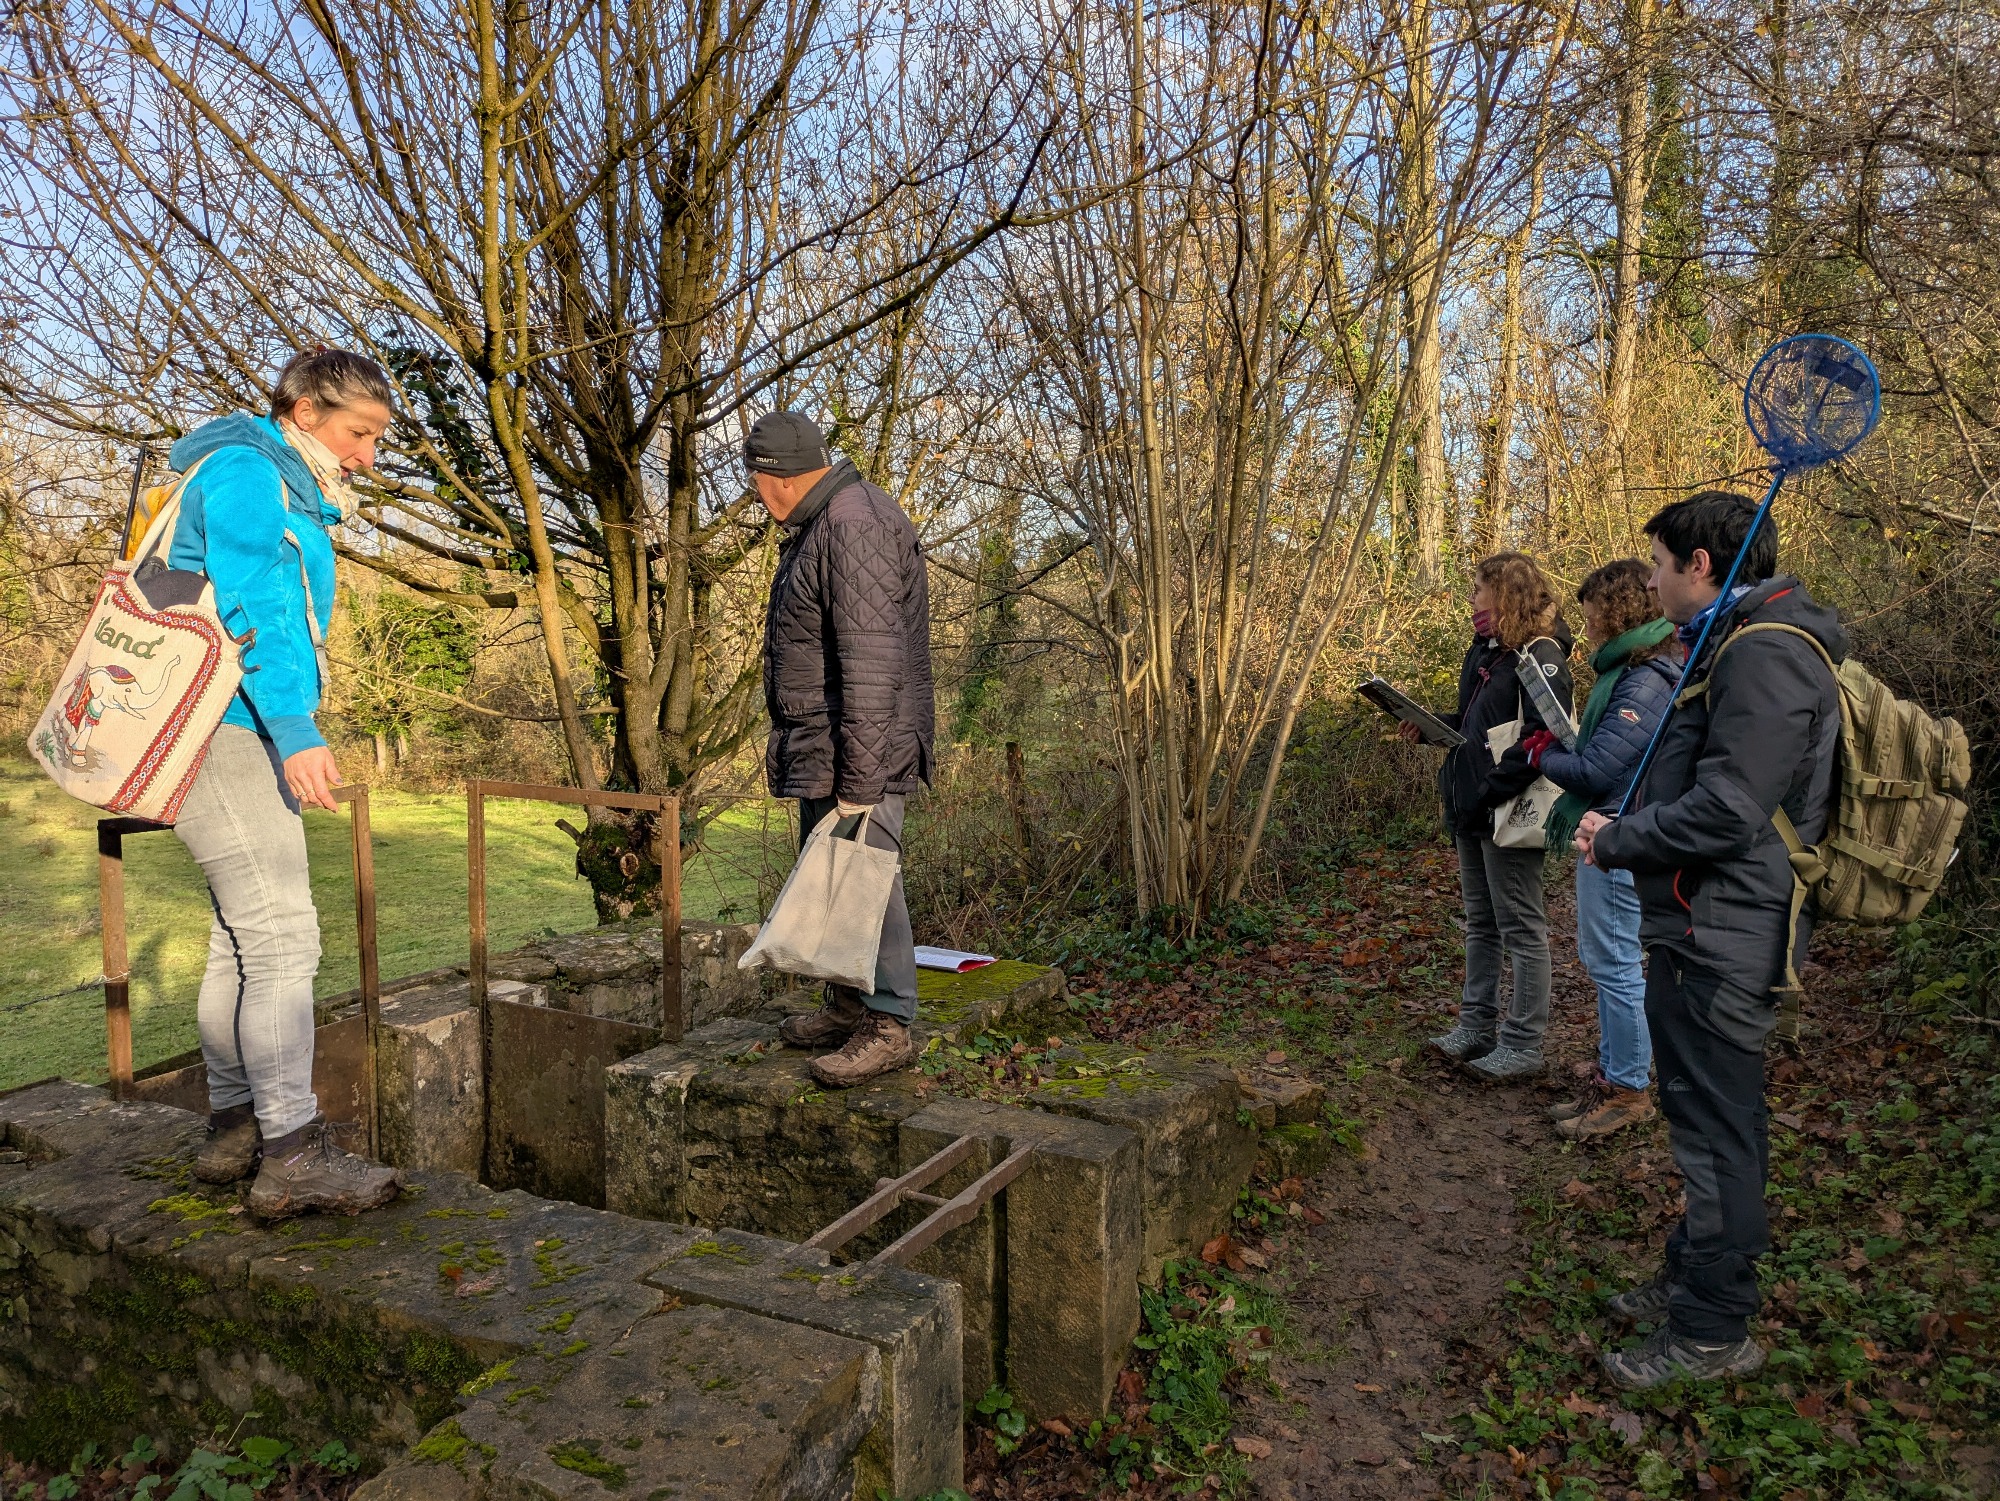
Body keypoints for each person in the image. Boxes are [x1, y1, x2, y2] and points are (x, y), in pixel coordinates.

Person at [1577, 491, 1844, 1390]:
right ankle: (1691, 1277)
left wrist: (1622, 838)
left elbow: (1731, 809)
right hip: (1706, 925)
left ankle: (1713, 1331)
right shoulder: (1738, 640)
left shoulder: (1765, 653)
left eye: (1659, 564)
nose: (1651, 583)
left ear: (1700, 564)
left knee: (1717, 1131)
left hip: (1723, 934)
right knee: (1704, 1117)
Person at [173, 348, 403, 1218]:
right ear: (306, 411)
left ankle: (236, 1127)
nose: (368, 456)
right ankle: (294, 1154)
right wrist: (295, 728)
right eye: (359, 433)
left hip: (229, 724)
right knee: (280, 938)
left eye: (377, 439)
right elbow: (254, 604)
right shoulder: (245, 471)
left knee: (239, 937)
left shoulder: (271, 476)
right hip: (228, 724)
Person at [748, 411, 934, 1088]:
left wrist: (862, 777)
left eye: (755, 479)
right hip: (832, 743)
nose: (755, 494)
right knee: (836, 876)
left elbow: (872, 664)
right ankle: (851, 1005)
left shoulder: (853, 525)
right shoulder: (827, 521)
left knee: (867, 879)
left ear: (776, 477)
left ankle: (889, 1025)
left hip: (860, 749)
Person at [1508, 560, 1680, 1140]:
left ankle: (1628, 1090)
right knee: (1606, 958)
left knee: (1616, 963)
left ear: (1616, 612)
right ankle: (1614, 1075)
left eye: (1590, 618)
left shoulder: (1645, 679)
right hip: (1613, 828)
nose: (1585, 631)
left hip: (1619, 833)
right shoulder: (1633, 672)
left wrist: (1542, 755)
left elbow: (1597, 768)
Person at [1420, 552, 1574, 1083]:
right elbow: (1474, 726)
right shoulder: (1487, 650)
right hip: (1471, 803)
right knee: (1481, 923)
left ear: (1505, 595)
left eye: (1478, 590)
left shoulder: (1541, 654)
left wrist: (1489, 790)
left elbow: (1546, 734)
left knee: (1521, 926)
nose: (1471, 601)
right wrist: (1430, 725)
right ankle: (1475, 1026)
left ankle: (1523, 1043)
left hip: (1507, 808)